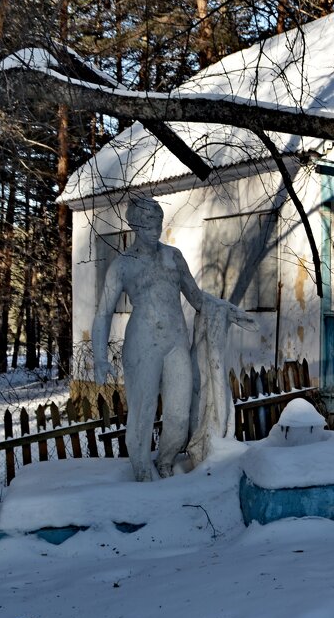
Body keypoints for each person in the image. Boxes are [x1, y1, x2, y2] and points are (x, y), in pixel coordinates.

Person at [92, 197, 251, 481]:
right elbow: (103, 313)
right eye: (150, 224)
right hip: (142, 343)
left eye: (159, 223)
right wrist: (100, 358)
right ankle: (142, 468)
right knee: (142, 411)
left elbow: (197, 298)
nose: (156, 229)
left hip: (175, 342)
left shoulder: (173, 257)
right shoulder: (123, 265)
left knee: (179, 415)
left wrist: (227, 311)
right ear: (136, 226)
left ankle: (166, 460)